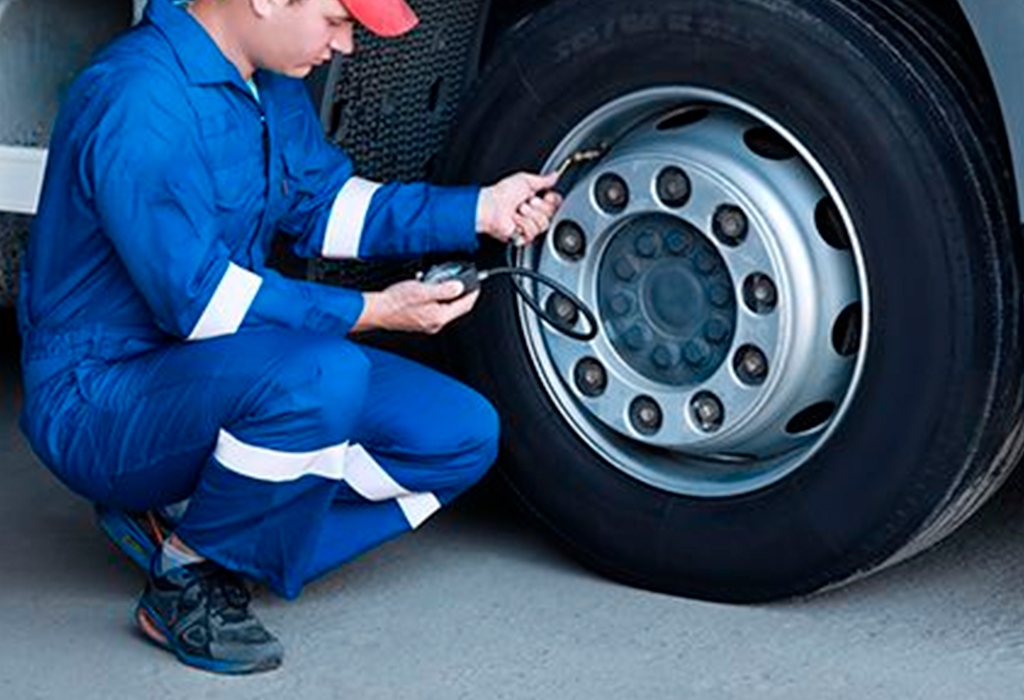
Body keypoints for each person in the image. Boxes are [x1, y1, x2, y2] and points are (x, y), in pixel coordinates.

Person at [18, 0, 561, 675]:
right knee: (322, 373)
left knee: (459, 432)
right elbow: (204, 304)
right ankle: (188, 581)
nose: (347, 46)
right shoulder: (139, 100)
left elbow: (326, 207)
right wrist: (375, 310)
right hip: (102, 395)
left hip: (219, 363)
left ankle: (204, 528)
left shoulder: (266, 80)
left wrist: (481, 209)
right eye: (337, 19)